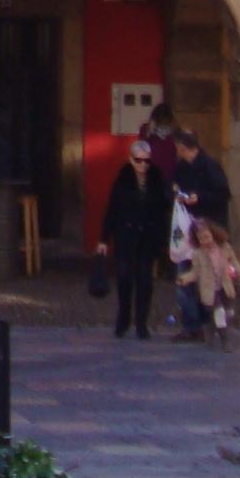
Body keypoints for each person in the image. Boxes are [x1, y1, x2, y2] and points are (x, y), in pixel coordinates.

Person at [96, 137, 170, 339]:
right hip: (126, 237)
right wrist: (104, 238)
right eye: (139, 160)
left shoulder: (156, 178)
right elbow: (112, 209)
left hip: (148, 237)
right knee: (124, 280)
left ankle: (141, 323)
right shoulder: (123, 178)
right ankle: (123, 320)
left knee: (145, 282)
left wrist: (163, 240)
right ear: (131, 159)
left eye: (146, 160)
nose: (143, 165)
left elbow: (163, 210)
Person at [174, 218, 240, 345]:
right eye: (201, 239)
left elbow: (235, 263)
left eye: (207, 237)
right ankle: (225, 341)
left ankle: (210, 327)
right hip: (210, 289)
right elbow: (195, 272)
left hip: (225, 287)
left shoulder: (225, 248)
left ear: (213, 234)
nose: (205, 241)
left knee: (228, 312)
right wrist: (185, 278)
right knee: (219, 312)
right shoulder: (198, 254)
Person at [170, 128, 232, 232]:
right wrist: (178, 195)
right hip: (188, 222)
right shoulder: (180, 167)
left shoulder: (210, 166)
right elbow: (174, 186)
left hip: (210, 222)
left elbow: (223, 194)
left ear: (182, 148)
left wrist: (199, 197)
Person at [135, 101, 181, 180]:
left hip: (169, 176)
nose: (163, 126)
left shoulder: (175, 133)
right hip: (151, 176)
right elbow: (140, 152)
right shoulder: (146, 130)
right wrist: (149, 133)